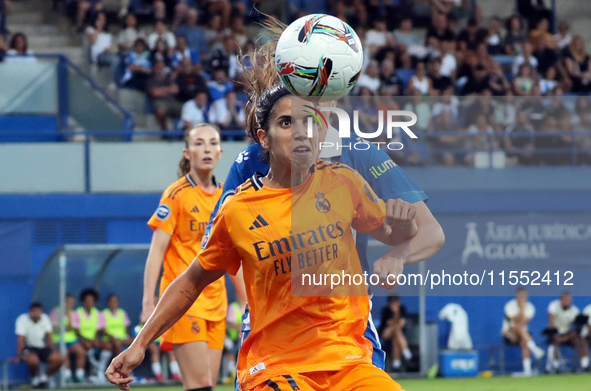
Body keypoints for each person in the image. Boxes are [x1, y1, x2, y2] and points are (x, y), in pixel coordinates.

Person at [201, 21, 444, 387]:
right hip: (274, 336)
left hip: (344, 330)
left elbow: (431, 232)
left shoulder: (359, 154)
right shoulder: (252, 159)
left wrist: (397, 255)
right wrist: (251, 298)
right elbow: (219, 249)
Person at [140, 124, 246, 391]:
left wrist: (247, 300)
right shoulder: (175, 194)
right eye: (199, 143)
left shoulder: (227, 196)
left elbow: (232, 256)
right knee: (200, 385)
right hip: (184, 301)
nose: (207, 149)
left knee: (207, 384)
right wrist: (148, 301)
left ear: (221, 152)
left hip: (216, 304)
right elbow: (156, 252)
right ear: (187, 153)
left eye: (213, 143)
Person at [14, 303, 66, 389]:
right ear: (30, 312)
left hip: (42, 347)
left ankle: (44, 378)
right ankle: (34, 378)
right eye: (35, 311)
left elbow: (49, 336)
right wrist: (19, 355)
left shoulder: (45, 318)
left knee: (60, 358)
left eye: (39, 311)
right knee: (33, 361)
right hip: (29, 348)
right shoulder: (22, 319)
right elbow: (20, 339)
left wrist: (52, 349)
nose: (37, 314)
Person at [501, 288, 545, 376]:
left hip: (522, 335)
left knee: (524, 340)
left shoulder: (530, 307)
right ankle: (535, 349)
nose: (522, 298)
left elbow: (524, 322)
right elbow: (514, 320)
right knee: (520, 329)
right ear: (516, 297)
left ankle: (527, 371)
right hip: (508, 333)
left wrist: (522, 310)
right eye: (520, 296)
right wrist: (521, 309)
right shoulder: (509, 305)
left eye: (524, 296)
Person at [71, 288, 109, 382]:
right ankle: (81, 376)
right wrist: (85, 340)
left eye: (91, 300)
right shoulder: (77, 313)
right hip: (81, 340)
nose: (89, 302)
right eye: (87, 300)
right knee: (84, 349)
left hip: (92, 340)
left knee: (108, 346)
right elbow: (77, 331)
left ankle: (101, 370)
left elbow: (97, 330)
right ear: (83, 301)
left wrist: (95, 340)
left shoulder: (98, 314)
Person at [546, 292, 589, 372]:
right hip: (556, 333)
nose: (567, 301)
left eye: (569, 300)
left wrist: (567, 337)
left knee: (581, 341)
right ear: (561, 299)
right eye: (565, 299)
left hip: (569, 335)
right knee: (553, 340)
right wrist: (556, 334)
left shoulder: (575, 311)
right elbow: (551, 323)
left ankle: (584, 366)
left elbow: (576, 329)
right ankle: (555, 367)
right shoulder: (554, 306)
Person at [49, 294, 86, 383]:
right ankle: (66, 375)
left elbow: (73, 328)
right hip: (59, 340)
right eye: (68, 302)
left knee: (81, 351)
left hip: (71, 340)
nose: (70, 304)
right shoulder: (55, 312)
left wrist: (69, 318)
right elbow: (55, 329)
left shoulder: (73, 313)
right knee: (64, 353)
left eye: (72, 302)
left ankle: (79, 375)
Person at [378, 296, 411, 371]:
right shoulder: (385, 310)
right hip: (385, 334)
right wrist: (389, 329)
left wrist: (390, 329)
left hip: (393, 333)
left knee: (396, 336)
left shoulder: (402, 309)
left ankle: (396, 362)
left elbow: (401, 324)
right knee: (397, 333)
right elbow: (388, 324)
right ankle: (405, 351)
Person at [103, 294, 133, 358]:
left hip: (123, 338)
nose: (114, 303)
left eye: (115, 301)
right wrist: (112, 336)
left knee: (136, 341)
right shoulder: (104, 313)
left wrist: (127, 335)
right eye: (112, 301)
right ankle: (119, 363)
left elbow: (127, 327)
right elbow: (103, 330)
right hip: (110, 339)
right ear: (108, 302)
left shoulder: (122, 313)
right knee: (117, 343)